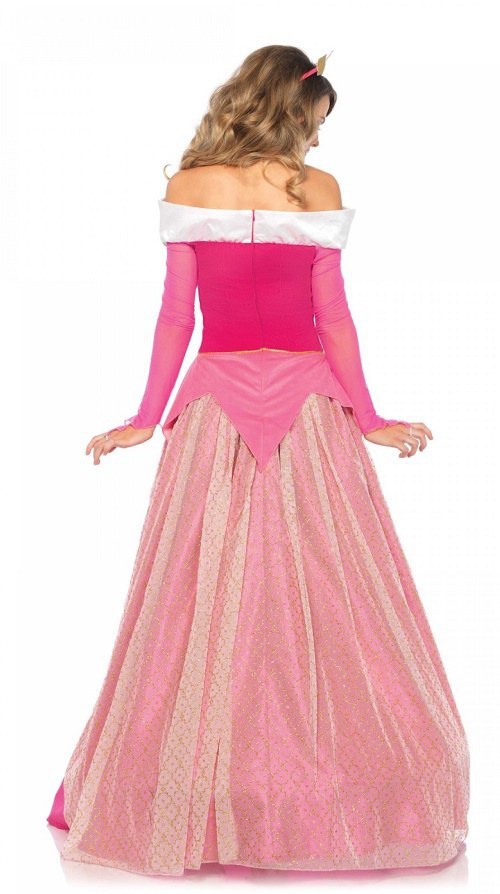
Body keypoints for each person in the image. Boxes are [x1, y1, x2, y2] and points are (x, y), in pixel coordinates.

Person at [46, 45, 470, 877]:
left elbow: (177, 318)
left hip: (215, 405)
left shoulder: (191, 185)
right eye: (315, 120)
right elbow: (332, 318)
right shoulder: (318, 189)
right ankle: (324, 795)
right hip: (308, 407)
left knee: (200, 600)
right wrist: (368, 416)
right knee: (327, 596)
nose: (318, 138)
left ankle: (205, 793)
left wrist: (147, 417)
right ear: (291, 108)